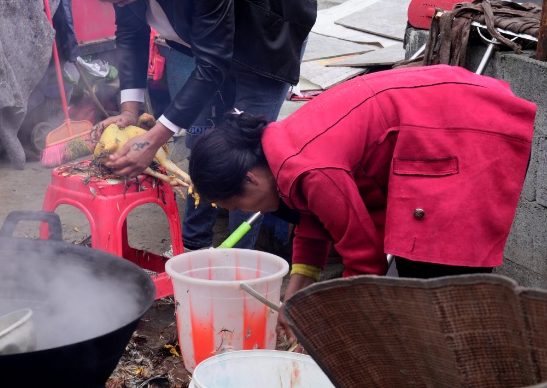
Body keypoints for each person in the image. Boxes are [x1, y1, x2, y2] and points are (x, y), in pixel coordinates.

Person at [188, 65, 536, 333]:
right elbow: (314, 221)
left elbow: (365, 260)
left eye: (236, 205)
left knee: (441, 287)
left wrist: (327, 328)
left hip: (471, 128)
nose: (243, 212)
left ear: (250, 178)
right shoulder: (281, 148)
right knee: (419, 285)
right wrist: (294, 298)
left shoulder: (310, 169)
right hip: (443, 115)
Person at [79, 0, 317, 251]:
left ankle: (237, 262)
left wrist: (155, 138)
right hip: (205, 30)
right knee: (200, 139)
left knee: (241, 154)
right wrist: (130, 111)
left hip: (267, 22)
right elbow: (129, 33)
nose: (124, 4)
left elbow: (213, 63)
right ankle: (193, 247)